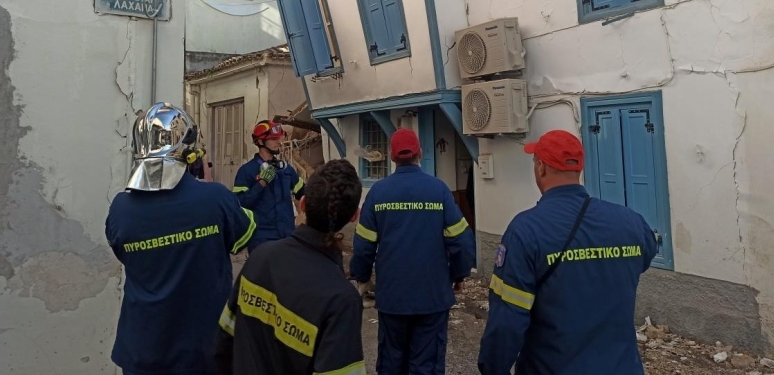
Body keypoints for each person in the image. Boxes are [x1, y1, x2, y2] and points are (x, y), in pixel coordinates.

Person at [477, 130, 660, 375]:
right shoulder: (631, 222)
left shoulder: (525, 230)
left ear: (540, 167)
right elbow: (645, 256)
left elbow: (508, 321)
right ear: (579, 169)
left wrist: (492, 369)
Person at [105, 102, 256, 375]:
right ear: (190, 153)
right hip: (205, 352)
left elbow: (123, 251)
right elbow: (243, 234)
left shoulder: (120, 208)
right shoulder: (216, 199)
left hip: (143, 351)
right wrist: (207, 182)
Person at [214, 159, 367, 375]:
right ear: (355, 216)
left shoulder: (259, 259)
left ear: (303, 204)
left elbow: (223, 343)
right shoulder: (342, 299)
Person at [350, 128, 476, 375]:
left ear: (392, 157)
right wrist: (458, 276)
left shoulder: (377, 193)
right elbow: (461, 241)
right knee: (426, 365)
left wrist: (362, 277)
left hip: (392, 298)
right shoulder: (439, 191)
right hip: (432, 296)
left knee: (392, 363)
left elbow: (363, 245)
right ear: (420, 153)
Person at [233, 120, 305, 253]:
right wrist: (261, 184)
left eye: (279, 138)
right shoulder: (247, 171)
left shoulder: (285, 169)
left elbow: (303, 193)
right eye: (273, 139)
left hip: (287, 235)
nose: (279, 142)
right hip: (261, 238)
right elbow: (239, 203)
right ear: (260, 142)